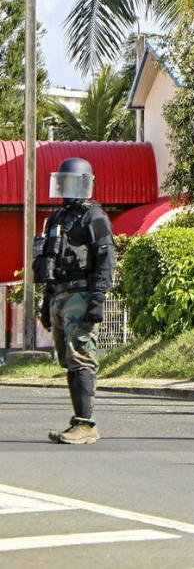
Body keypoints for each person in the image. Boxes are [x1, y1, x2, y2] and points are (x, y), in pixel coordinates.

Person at [34, 158, 116, 444]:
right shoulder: (57, 218)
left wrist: (97, 298)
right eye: (63, 182)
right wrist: (46, 302)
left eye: (73, 182)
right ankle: (78, 421)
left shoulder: (93, 216)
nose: (67, 188)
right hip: (59, 294)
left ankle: (86, 425)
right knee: (69, 360)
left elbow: (106, 258)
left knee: (81, 356)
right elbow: (48, 261)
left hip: (80, 294)